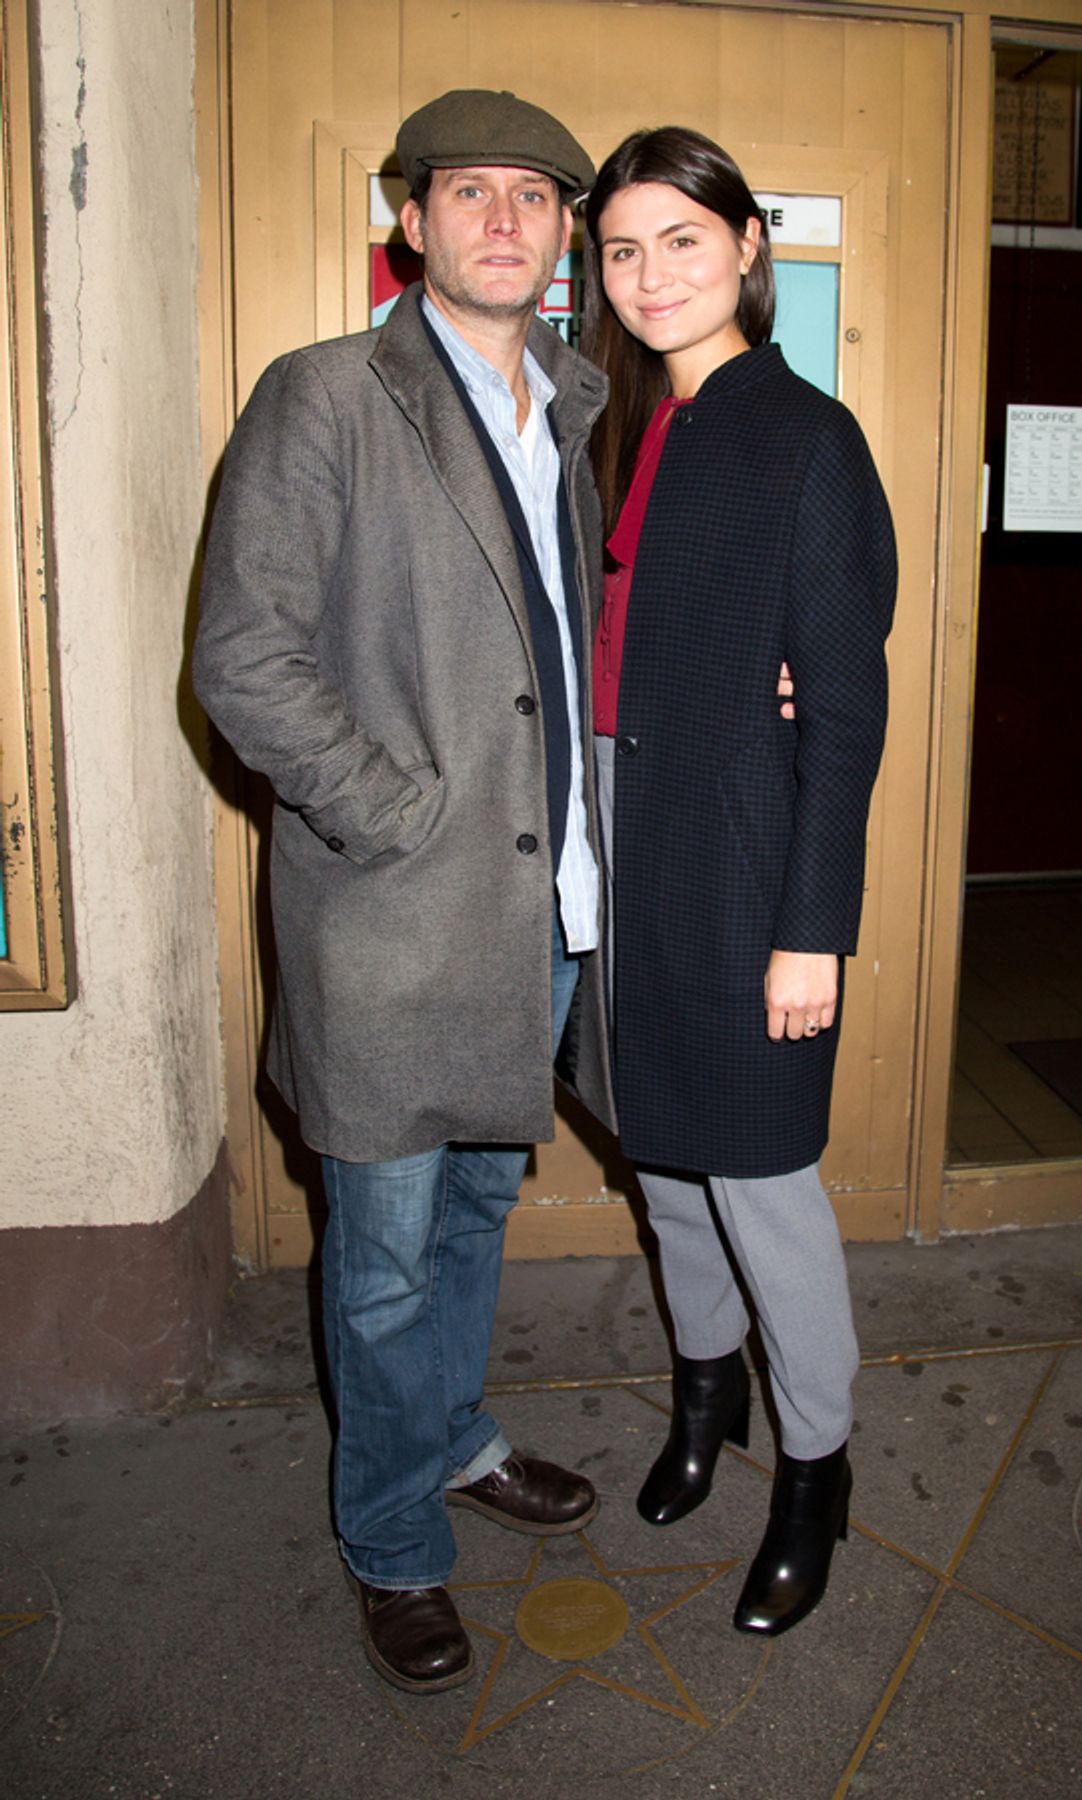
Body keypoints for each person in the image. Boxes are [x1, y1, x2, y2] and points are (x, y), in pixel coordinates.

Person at [192, 90, 618, 1697]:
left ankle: (449, 1438)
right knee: (377, 1253)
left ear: (564, 233)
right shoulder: (327, 396)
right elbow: (241, 657)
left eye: (534, 196)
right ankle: (392, 1540)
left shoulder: (570, 405)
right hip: (390, 913)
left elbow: (557, 659)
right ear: (412, 220)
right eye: (471, 194)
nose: (505, 220)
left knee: (475, 1217)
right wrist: (396, 816)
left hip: (540, 914)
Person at [580, 127, 897, 1638]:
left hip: (749, 870)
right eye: (624, 249)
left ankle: (815, 1469)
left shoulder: (805, 436)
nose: (651, 276)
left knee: (766, 1186)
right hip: (629, 859)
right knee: (667, 1166)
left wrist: (811, 935)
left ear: (750, 247)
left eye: (682, 242)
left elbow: (844, 712)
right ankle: (705, 1399)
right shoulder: (620, 428)